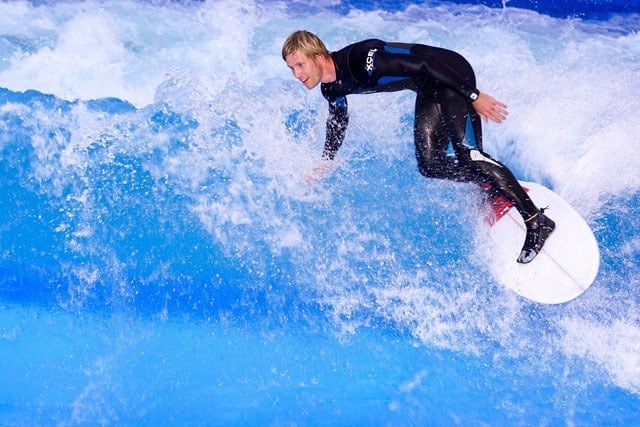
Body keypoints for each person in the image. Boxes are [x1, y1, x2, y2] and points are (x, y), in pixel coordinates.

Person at [281, 30, 554, 264]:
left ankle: (535, 220)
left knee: (470, 155)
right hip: (430, 90)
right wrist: (327, 160)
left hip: (449, 74)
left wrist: (474, 96)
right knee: (429, 164)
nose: (296, 74)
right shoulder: (331, 88)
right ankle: (491, 185)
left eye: (300, 65)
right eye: (292, 68)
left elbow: (425, 63)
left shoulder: (363, 62)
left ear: (318, 57)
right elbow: (338, 119)